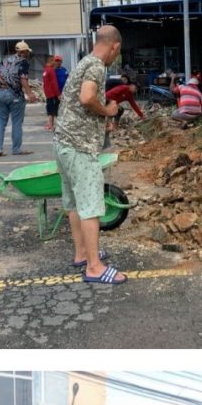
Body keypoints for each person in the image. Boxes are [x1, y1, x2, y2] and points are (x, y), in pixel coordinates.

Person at [53, 25, 127, 285]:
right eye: (118, 52)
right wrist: (107, 111)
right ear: (115, 46)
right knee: (91, 206)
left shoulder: (84, 61)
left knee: (74, 203)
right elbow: (86, 98)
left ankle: (82, 253)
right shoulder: (97, 66)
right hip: (80, 147)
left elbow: (78, 101)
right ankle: (94, 268)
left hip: (63, 142)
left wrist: (100, 118)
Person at [0, 40, 39, 156]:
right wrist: (30, 93)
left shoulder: (6, 59)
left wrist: (3, 82)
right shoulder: (23, 62)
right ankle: (16, 149)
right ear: (25, 52)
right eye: (27, 52)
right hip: (15, 94)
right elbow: (23, 79)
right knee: (17, 122)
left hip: (1, 92)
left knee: (1, 121)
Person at [103, 81, 144, 149]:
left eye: (137, 90)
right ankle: (108, 127)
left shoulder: (129, 95)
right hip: (106, 100)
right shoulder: (123, 88)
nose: (135, 90)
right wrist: (113, 103)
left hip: (112, 104)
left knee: (120, 110)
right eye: (135, 88)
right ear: (131, 85)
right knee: (113, 112)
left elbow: (133, 105)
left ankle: (115, 126)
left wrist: (141, 115)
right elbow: (109, 94)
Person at [42, 55, 61, 131]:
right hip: (53, 94)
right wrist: (58, 94)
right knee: (55, 111)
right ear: (50, 61)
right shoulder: (51, 70)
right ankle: (53, 126)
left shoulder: (45, 70)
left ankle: (50, 125)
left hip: (48, 94)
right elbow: (54, 83)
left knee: (50, 110)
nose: (55, 62)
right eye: (54, 61)